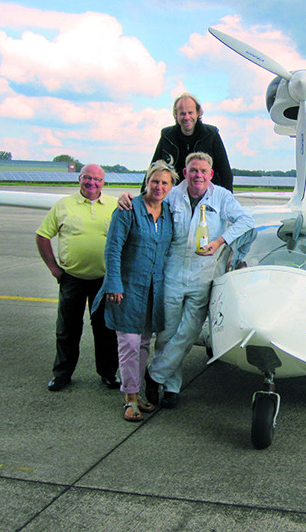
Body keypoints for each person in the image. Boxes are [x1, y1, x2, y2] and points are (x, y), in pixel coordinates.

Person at [119, 152, 253, 408]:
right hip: (172, 272)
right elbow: (148, 201)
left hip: (203, 275)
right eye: (193, 170)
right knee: (168, 332)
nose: (198, 175)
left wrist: (220, 241)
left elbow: (246, 221)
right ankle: (171, 387)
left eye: (203, 171)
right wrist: (126, 198)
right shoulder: (172, 194)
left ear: (211, 174)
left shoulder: (221, 197)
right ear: (186, 171)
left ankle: (154, 374)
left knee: (189, 332)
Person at [92, 161, 177, 422]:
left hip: (152, 290)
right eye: (155, 181)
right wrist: (114, 283)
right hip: (127, 288)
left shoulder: (168, 214)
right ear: (147, 182)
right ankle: (129, 398)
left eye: (165, 183)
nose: (159, 186)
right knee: (128, 343)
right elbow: (113, 248)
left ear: (171, 187)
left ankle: (137, 392)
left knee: (142, 345)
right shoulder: (128, 208)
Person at [35, 164, 119, 391]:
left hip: (104, 280)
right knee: (67, 329)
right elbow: (43, 235)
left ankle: (108, 373)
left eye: (97, 179)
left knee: (105, 329)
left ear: (104, 182)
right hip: (72, 278)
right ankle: (62, 374)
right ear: (79, 179)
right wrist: (53, 267)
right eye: (87, 178)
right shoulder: (63, 205)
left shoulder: (114, 205)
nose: (92, 183)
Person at [148, 93, 233, 192]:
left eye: (190, 112)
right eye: (182, 113)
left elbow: (225, 172)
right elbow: (153, 169)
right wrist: (142, 200)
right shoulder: (167, 136)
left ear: (198, 113)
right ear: (176, 115)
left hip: (206, 195)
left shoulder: (211, 135)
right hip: (175, 195)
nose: (187, 117)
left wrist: (227, 200)